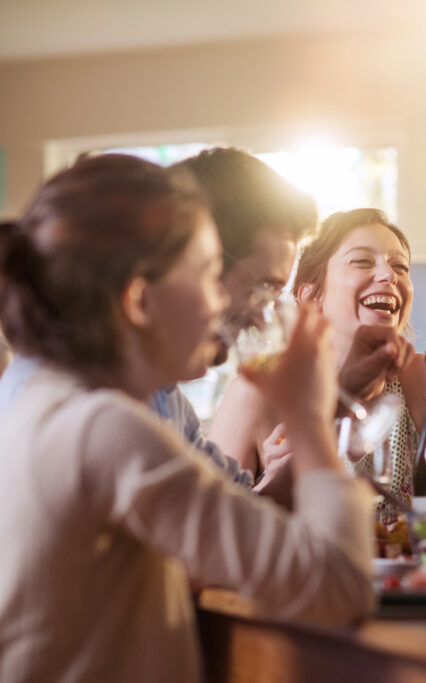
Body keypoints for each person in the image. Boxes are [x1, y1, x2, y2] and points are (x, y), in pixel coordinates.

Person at [0, 155, 375, 681]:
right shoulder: (104, 430)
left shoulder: (45, 408)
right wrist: (309, 419)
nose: (220, 300)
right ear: (140, 300)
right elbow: (338, 588)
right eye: (206, 275)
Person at [0, 147, 319, 488]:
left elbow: (228, 506)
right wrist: (313, 427)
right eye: (263, 288)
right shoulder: (98, 417)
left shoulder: (161, 396)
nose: (262, 319)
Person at [209, 208, 426, 516]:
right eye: (362, 261)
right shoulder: (258, 392)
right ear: (311, 296)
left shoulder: (418, 377)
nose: (389, 275)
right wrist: (276, 482)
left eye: (400, 266)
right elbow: (210, 530)